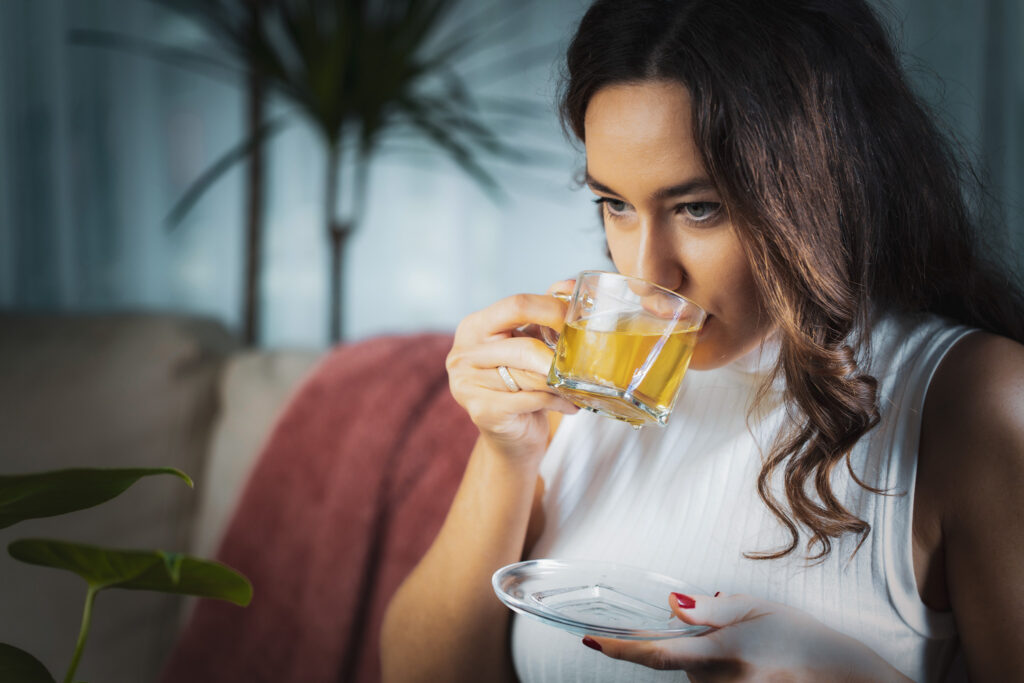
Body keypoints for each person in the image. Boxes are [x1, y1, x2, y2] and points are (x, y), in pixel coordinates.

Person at [380, 0, 1024, 680]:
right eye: (617, 205)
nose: (647, 270)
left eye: (699, 207)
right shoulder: (601, 388)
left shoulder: (975, 399)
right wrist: (506, 452)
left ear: (821, 186)